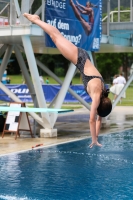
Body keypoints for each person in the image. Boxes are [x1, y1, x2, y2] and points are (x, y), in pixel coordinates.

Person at [23, 13, 112, 148]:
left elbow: (99, 119)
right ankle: (35, 20)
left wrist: (96, 138)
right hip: (79, 58)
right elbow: (92, 120)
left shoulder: (103, 94)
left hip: (83, 57)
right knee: (56, 36)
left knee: (57, 37)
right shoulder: (96, 96)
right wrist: (93, 140)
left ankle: (37, 20)